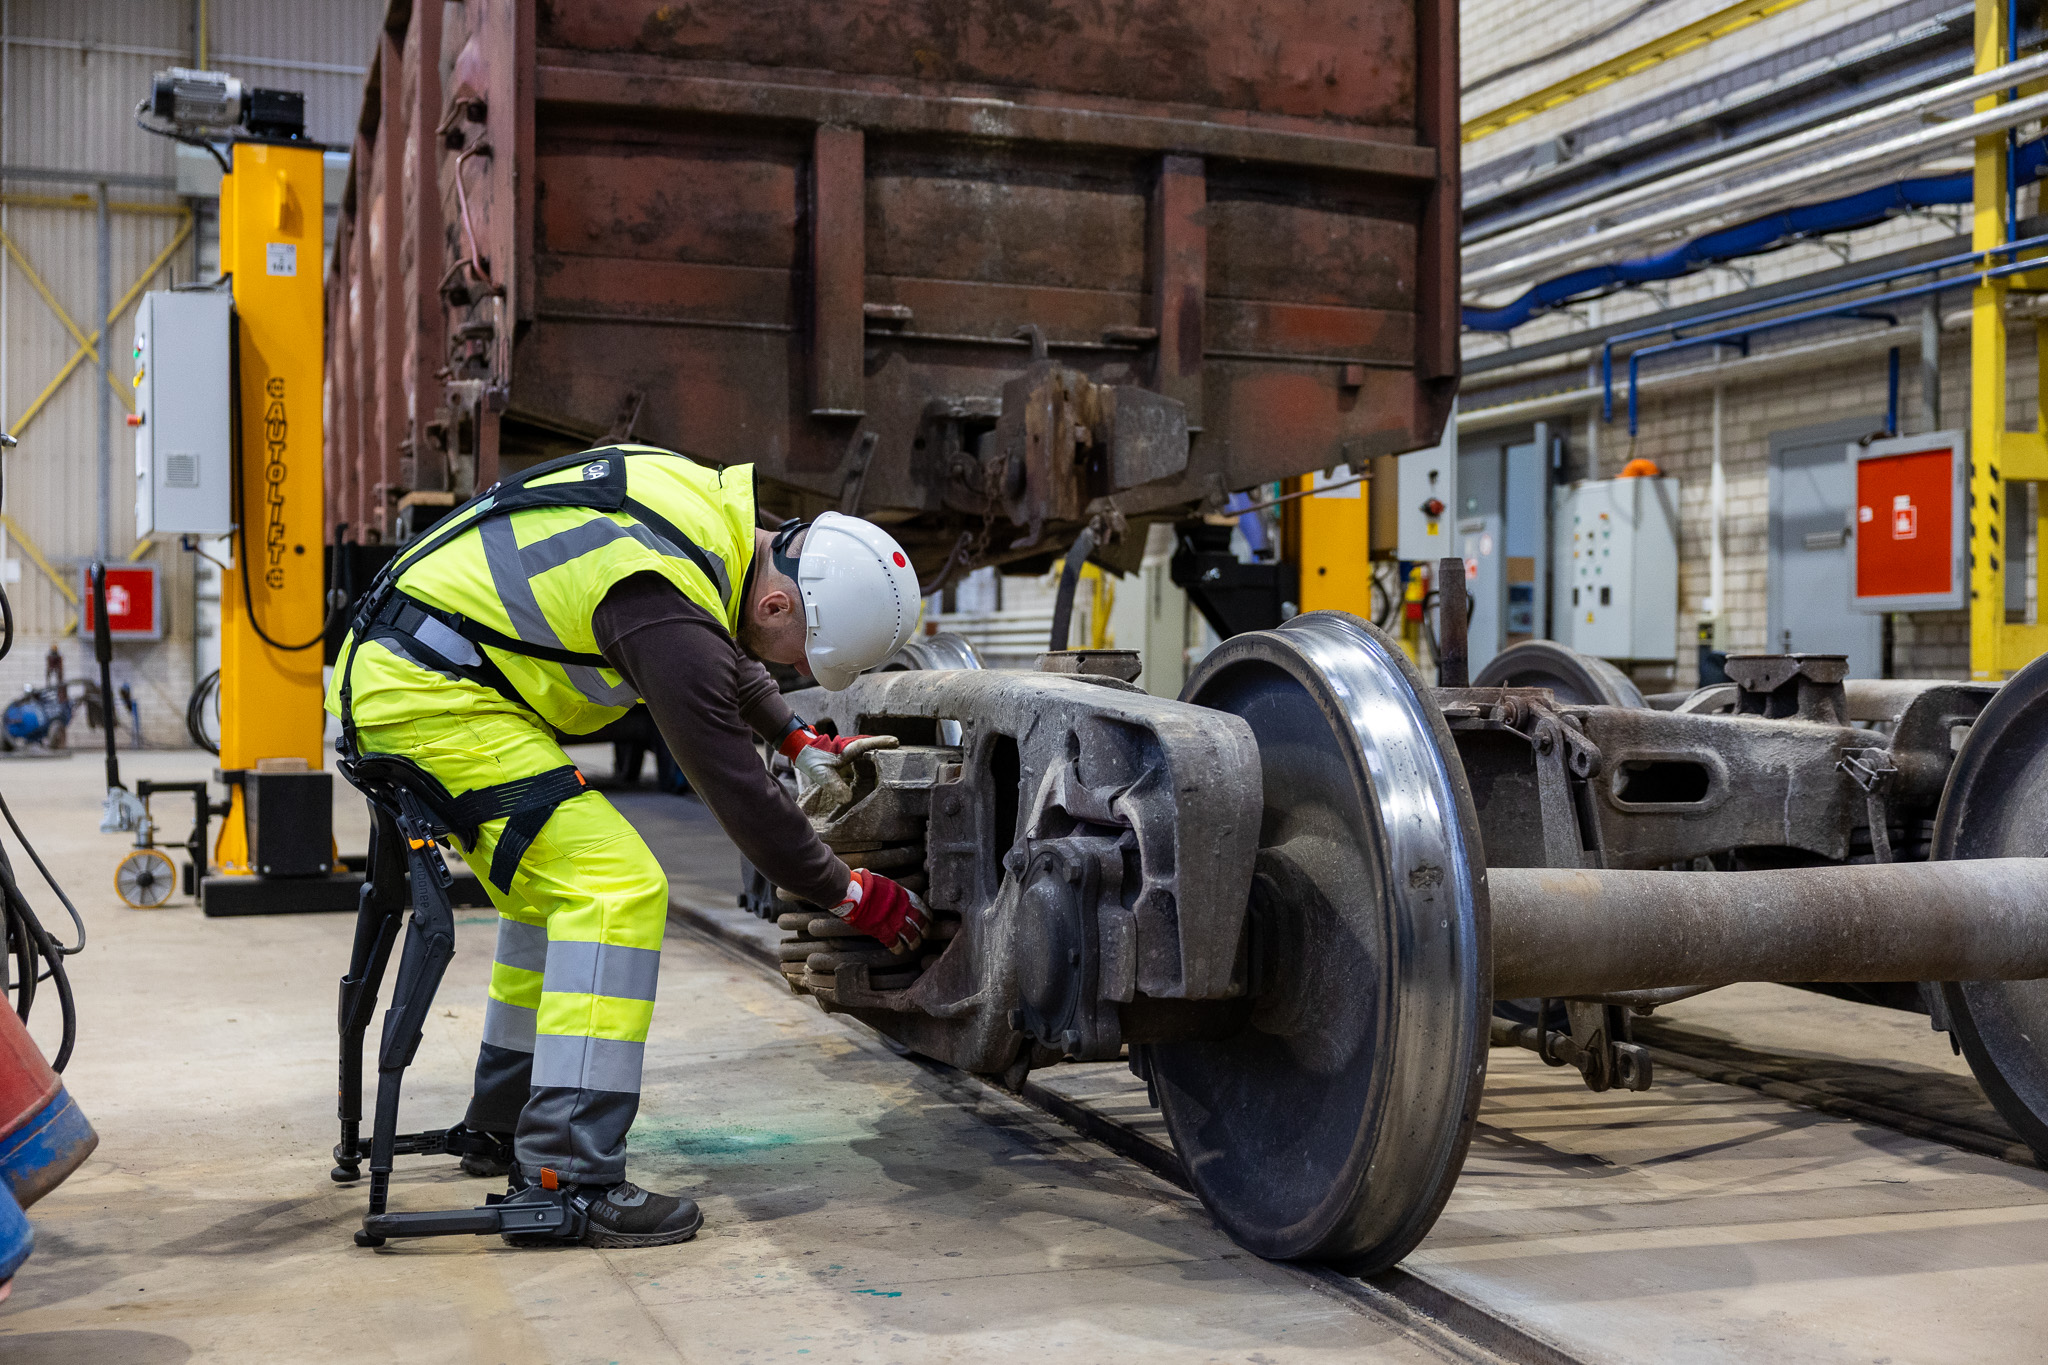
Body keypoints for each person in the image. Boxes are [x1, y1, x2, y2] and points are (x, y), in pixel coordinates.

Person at [326, 444, 931, 1248]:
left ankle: (506, 1118)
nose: (789, 670)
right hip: (428, 694)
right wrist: (854, 894)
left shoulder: (702, 519)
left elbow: (723, 646)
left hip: (412, 667)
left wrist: (795, 738)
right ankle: (568, 1176)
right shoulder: (664, 604)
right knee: (614, 886)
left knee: (554, 889)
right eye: (799, 660)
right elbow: (739, 795)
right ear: (782, 604)